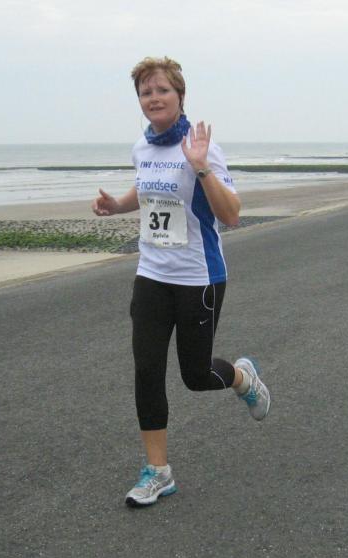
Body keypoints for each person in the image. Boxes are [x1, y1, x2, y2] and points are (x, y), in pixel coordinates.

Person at [92, 56, 271, 508]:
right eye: (146, 92)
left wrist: (201, 167)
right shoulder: (142, 148)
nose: (154, 98)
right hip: (151, 275)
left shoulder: (201, 148)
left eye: (162, 90)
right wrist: (117, 205)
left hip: (199, 278)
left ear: (180, 95)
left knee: (197, 375)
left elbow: (232, 215)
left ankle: (243, 378)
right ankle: (158, 472)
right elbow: (147, 191)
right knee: (147, 371)